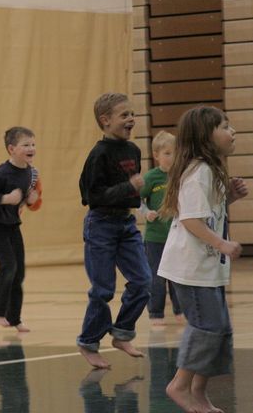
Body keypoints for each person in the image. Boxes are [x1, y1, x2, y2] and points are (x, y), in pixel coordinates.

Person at [158, 106, 248, 413]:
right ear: (205, 137)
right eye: (224, 126)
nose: (232, 131)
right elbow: (191, 220)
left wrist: (230, 197)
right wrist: (222, 244)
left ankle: (198, 392)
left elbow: (208, 210)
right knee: (208, 328)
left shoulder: (209, 171)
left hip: (206, 269)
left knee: (219, 330)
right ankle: (179, 386)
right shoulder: (199, 172)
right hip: (189, 268)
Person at [77, 92, 152, 369]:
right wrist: (128, 188)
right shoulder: (98, 154)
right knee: (103, 290)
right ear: (105, 121)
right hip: (101, 225)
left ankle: (121, 333)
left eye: (133, 114)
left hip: (126, 224)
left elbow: (132, 189)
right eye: (124, 115)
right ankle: (88, 341)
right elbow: (91, 195)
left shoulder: (133, 150)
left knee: (143, 282)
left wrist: (137, 197)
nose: (131, 119)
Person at [0, 126, 40, 332]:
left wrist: (30, 201)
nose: (31, 148)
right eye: (26, 145)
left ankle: (14, 318)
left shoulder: (30, 172)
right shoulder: (2, 172)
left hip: (13, 225)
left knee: (19, 272)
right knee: (8, 266)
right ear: (11, 149)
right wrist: (5, 198)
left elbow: (25, 200)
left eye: (33, 144)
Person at [139, 131, 183, 326]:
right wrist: (146, 211)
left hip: (177, 236)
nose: (171, 157)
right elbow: (138, 200)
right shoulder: (151, 178)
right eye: (167, 153)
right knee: (156, 278)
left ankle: (180, 310)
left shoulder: (180, 176)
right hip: (155, 238)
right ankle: (156, 313)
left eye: (174, 153)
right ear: (156, 155)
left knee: (177, 276)